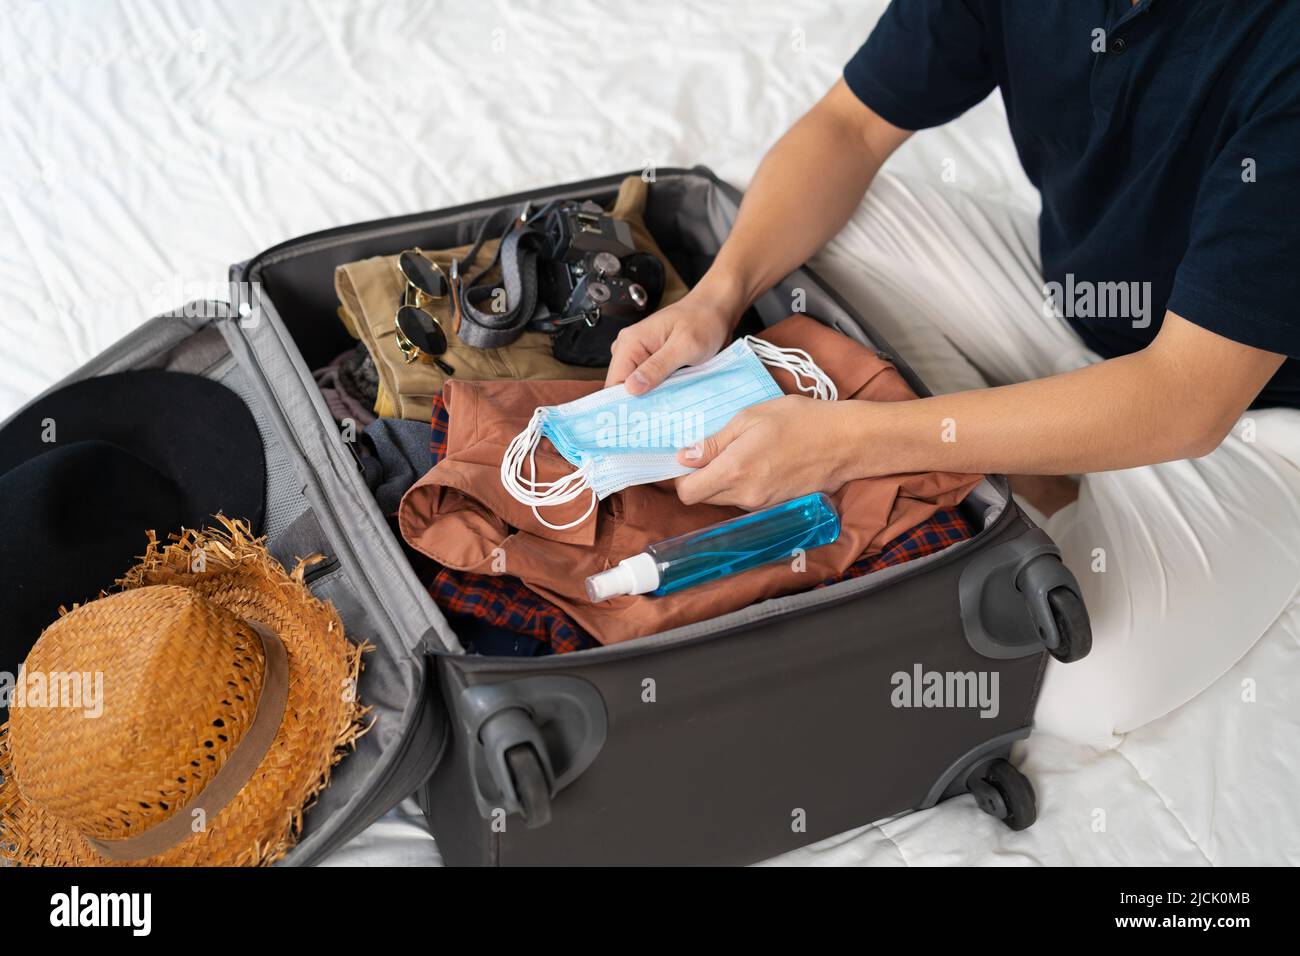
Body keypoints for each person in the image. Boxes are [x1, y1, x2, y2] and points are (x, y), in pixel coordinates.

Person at [606, 0, 1300, 745]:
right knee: (773, 224)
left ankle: (1003, 463)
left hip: (1243, 413)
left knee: (1087, 684)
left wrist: (860, 441)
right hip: (1062, 299)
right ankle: (1007, 455)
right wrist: (719, 295)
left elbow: (1186, 398)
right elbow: (850, 127)